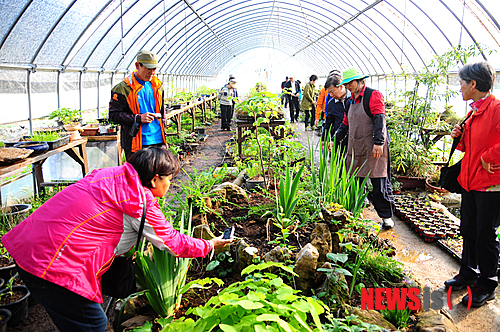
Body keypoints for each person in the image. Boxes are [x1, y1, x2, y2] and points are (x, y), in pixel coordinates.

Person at [1, 147, 232, 332]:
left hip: (29, 246)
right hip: (53, 265)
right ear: (154, 180)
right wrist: (210, 244)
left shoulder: (110, 175)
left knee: (76, 319)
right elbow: (172, 242)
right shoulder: (137, 202)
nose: (170, 185)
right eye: (169, 179)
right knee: (93, 325)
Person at [443, 61, 500, 308]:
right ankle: (468, 272)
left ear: (473, 84)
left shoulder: (496, 109)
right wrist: (460, 136)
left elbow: (489, 150)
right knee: (468, 228)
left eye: (462, 83)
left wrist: (488, 157)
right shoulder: (475, 111)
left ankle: (487, 284)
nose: (460, 88)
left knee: (485, 235)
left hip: (489, 185)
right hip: (471, 181)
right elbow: (472, 146)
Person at [335, 67, 395, 228]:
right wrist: (333, 140)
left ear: (360, 81)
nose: (348, 87)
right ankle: (357, 213)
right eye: (345, 84)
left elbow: (379, 119)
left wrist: (378, 143)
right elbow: (345, 124)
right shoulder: (350, 101)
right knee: (355, 183)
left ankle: (386, 217)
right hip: (356, 148)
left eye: (350, 83)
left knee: (378, 184)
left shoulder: (372, 95)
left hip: (374, 148)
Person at [109, 50, 168, 161]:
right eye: (148, 68)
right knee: (137, 177)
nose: (152, 72)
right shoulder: (123, 88)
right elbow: (113, 115)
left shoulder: (158, 86)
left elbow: (162, 113)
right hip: (136, 144)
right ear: (137, 65)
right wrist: (138, 118)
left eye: (154, 69)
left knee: (158, 177)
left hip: (159, 141)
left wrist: (165, 139)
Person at [322, 73, 350, 152]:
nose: (331, 95)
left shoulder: (353, 99)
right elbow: (328, 123)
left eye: (332, 92)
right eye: (329, 93)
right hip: (339, 139)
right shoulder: (332, 103)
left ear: (341, 87)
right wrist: (324, 139)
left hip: (354, 140)